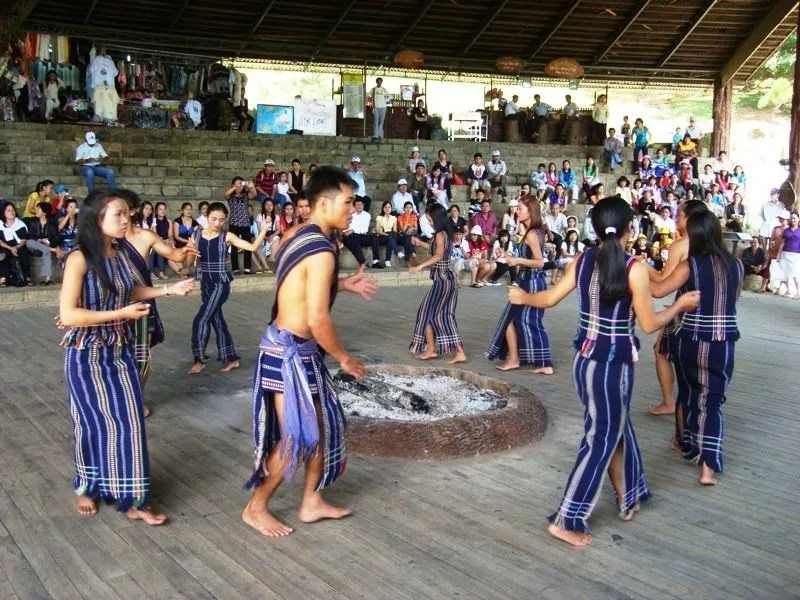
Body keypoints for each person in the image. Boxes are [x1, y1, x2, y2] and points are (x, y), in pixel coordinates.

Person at [508, 196, 700, 546]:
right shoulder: (634, 268)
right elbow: (648, 323)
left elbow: (550, 299)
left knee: (614, 427)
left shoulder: (582, 261)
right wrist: (679, 306)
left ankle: (629, 494)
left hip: (585, 363)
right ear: (631, 228)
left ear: (594, 229)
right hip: (614, 365)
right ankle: (568, 518)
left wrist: (524, 298)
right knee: (602, 437)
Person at [243, 166, 377, 538]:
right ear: (323, 202)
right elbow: (318, 318)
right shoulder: (322, 249)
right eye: (348, 202)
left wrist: (342, 284)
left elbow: (296, 279)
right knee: (297, 435)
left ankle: (311, 502)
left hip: (292, 348)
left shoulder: (297, 234)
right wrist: (344, 357)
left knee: (317, 425)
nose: (354, 208)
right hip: (288, 352)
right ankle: (255, 508)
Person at [59, 189, 195, 523]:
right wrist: (120, 313)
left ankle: (134, 500)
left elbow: (130, 289)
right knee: (91, 423)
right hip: (85, 353)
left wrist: (168, 290)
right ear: (96, 218)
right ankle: (87, 487)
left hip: (118, 349)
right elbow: (70, 314)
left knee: (130, 421)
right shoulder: (79, 258)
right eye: (118, 214)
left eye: (127, 214)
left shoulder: (119, 252)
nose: (126, 220)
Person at [650, 211, 742, 486]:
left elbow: (659, 291)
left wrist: (642, 269)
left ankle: (685, 444)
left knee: (689, 393)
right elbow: (732, 299)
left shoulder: (690, 265)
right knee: (712, 402)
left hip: (690, 340)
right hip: (723, 342)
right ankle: (708, 467)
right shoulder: (736, 265)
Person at [115, 188, 200, 418]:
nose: (119, 217)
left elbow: (176, 255)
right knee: (116, 354)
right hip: (115, 304)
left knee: (143, 358)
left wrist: (188, 250)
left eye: (123, 211)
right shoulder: (107, 241)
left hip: (143, 302)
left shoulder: (146, 236)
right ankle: (119, 399)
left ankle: (136, 397)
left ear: (132, 211)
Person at [189, 202, 269, 375]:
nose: (217, 223)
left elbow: (253, 247)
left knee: (201, 319)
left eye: (221, 220)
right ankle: (231, 359)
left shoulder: (227, 236)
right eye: (213, 219)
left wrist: (263, 230)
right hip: (206, 283)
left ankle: (199, 359)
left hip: (221, 284)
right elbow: (189, 263)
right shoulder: (196, 235)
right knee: (216, 320)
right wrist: (188, 252)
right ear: (206, 216)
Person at [486, 194, 553, 373]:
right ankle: (526, 360)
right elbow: (525, 259)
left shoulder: (532, 233)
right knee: (520, 321)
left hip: (530, 283)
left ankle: (536, 362)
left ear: (530, 212)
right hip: (529, 281)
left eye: (521, 209)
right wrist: (508, 257)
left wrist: (517, 260)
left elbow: (539, 262)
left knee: (526, 322)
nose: (517, 212)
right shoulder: (534, 231)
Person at [409, 203, 466, 363]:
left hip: (443, 280)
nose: (428, 220)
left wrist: (419, 266)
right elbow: (436, 248)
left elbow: (439, 255)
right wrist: (421, 244)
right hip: (445, 279)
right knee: (438, 314)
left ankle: (436, 349)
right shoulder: (443, 233)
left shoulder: (441, 234)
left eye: (430, 217)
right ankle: (435, 349)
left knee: (432, 314)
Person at [225, 176, 257, 274]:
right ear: (233, 185)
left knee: (247, 246)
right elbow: (225, 194)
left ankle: (247, 268)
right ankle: (235, 269)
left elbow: (254, 194)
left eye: (241, 183)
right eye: (237, 183)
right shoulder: (231, 195)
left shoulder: (246, 195)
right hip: (234, 224)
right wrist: (235, 187)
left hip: (245, 224)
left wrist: (251, 187)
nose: (239, 186)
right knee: (234, 247)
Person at [23, 201, 59, 285]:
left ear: (44, 213)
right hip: (34, 247)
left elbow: (56, 238)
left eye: (38, 209)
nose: (36, 211)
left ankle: (47, 279)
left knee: (46, 251)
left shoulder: (52, 224)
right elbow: (29, 236)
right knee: (29, 242)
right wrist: (38, 240)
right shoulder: (32, 221)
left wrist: (47, 240)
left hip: (45, 247)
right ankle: (51, 249)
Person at [0, 202, 33, 286]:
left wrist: (16, 247)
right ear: (4, 213)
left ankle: (27, 277)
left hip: (19, 246)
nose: (12, 212)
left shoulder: (20, 224)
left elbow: (24, 240)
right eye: (8, 210)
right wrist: (10, 248)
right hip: (5, 246)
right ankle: (3, 278)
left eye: (13, 210)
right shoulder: (0, 225)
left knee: (24, 253)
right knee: (3, 254)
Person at [777, 212, 800, 299]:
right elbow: (782, 243)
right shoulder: (786, 230)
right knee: (786, 274)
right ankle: (788, 291)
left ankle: (798, 293)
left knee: (795, 275)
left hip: (795, 255)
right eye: (791, 218)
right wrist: (779, 255)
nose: (792, 220)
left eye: (794, 218)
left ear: (798, 219)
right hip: (785, 254)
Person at [372, 200, 399, 268]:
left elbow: (395, 231)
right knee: (376, 238)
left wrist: (390, 234)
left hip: (390, 235)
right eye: (385, 207)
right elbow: (377, 230)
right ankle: (397, 252)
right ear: (383, 208)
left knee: (391, 237)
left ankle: (387, 260)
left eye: (389, 207)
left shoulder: (394, 218)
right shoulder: (379, 217)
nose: (387, 209)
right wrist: (384, 234)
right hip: (381, 235)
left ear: (391, 208)